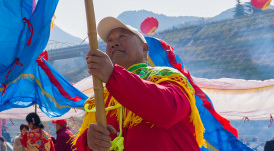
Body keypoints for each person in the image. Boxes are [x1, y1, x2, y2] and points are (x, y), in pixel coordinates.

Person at [76, 17, 203, 151]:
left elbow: (169, 112)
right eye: (109, 41)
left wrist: (114, 76)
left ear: (144, 47)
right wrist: (88, 142)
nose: (113, 44)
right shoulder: (99, 99)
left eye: (122, 36)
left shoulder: (167, 76)